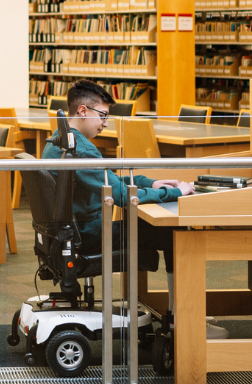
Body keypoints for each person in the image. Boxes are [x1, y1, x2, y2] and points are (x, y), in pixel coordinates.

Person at [40, 79, 228, 339]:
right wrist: (175, 192)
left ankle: (181, 313)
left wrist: (150, 182)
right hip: (90, 235)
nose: (105, 122)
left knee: (155, 227)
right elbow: (120, 196)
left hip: (73, 233)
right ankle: (181, 321)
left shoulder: (58, 141)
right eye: (102, 115)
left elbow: (108, 178)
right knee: (177, 233)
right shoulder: (81, 150)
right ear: (82, 111)